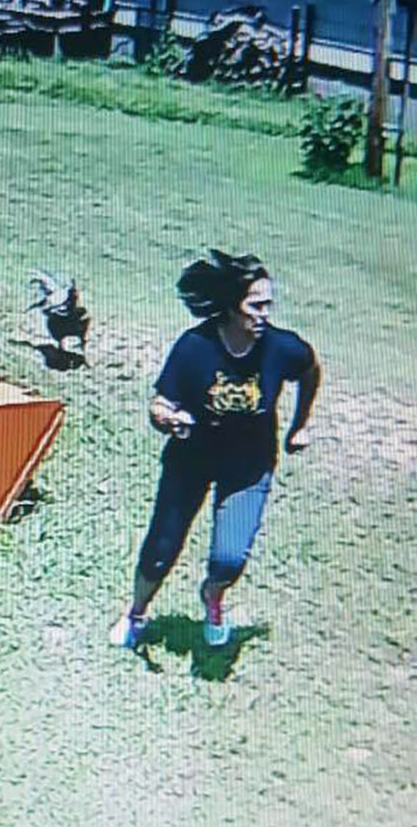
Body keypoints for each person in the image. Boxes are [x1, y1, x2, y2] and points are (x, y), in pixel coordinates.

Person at [109, 249, 321, 649]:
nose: (263, 314)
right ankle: (136, 613)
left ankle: (213, 596)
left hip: (248, 466)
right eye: (255, 306)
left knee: (229, 559)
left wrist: (301, 424)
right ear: (230, 306)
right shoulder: (195, 346)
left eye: (268, 305)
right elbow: (159, 405)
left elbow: (310, 369)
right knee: (161, 548)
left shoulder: (280, 347)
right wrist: (170, 419)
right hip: (190, 460)